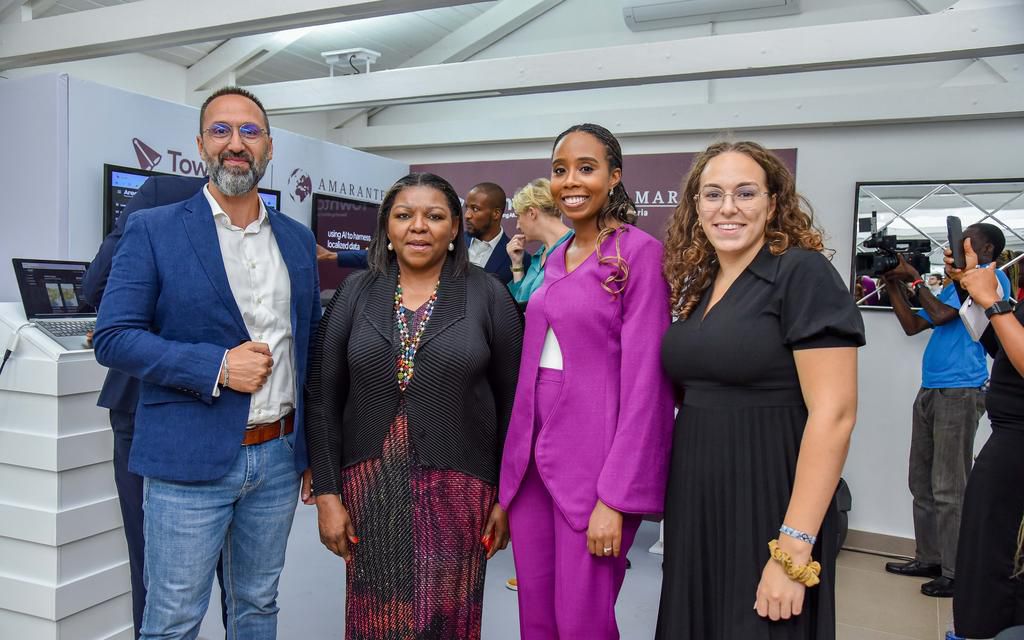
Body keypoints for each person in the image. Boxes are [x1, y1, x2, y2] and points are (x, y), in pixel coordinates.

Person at [93, 86, 320, 639]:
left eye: (249, 131)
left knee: (257, 607)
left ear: (269, 148)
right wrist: (216, 367)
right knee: (171, 620)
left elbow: (307, 349)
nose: (235, 143)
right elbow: (113, 337)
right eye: (221, 130)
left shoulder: (296, 239)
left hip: (276, 458)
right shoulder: (156, 229)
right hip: (187, 459)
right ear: (201, 145)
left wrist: (313, 451)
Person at [656, 141, 865, 640]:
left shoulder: (801, 272)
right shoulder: (699, 283)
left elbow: (834, 414)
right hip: (697, 498)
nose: (727, 207)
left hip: (771, 496)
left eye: (745, 192)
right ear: (695, 206)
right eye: (712, 194)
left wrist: (792, 549)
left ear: (773, 203)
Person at [305, 172, 522, 640]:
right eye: (404, 216)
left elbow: (515, 404)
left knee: (444, 623)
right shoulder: (355, 293)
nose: (418, 226)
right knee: (377, 621)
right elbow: (323, 395)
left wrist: (507, 496)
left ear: (454, 228)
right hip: (370, 488)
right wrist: (327, 494)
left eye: (434, 216)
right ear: (387, 228)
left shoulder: (490, 295)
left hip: (460, 493)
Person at [498, 123, 674, 639]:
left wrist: (616, 498)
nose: (570, 181)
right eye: (560, 170)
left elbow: (648, 386)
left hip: (594, 461)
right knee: (536, 614)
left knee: (583, 621)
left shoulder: (638, 253)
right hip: (533, 456)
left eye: (586, 168)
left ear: (615, 177)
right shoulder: (554, 255)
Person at [82, 174, 211, 638]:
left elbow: (97, 286)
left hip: (179, 406)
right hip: (158, 408)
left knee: (157, 571)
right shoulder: (164, 198)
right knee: (163, 574)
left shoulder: (162, 192)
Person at [881, 222, 1010, 597]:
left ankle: (956, 571)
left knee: (949, 486)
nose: (957, 248)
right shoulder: (958, 287)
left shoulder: (990, 279)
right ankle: (930, 557)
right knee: (920, 480)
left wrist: (917, 280)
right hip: (931, 389)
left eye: (967, 243)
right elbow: (913, 325)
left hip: (961, 392)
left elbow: (938, 316)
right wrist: (894, 284)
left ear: (987, 252)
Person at [944, 240, 1024, 638]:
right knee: (983, 551)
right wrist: (969, 288)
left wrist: (995, 301)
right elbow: (999, 345)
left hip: (1018, 444)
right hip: (1007, 437)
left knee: (998, 559)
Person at [505, 178, 573, 308]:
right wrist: (517, 265)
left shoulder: (577, 248)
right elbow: (520, 307)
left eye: (518, 216)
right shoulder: (539, 256)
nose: (517, 225)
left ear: (532, 213)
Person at [464, 182, 521, 284]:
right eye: (466, 208)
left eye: (475, 209)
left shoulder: (516, 257)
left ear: (496, 214)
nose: (467, 215)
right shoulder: (452, 244)